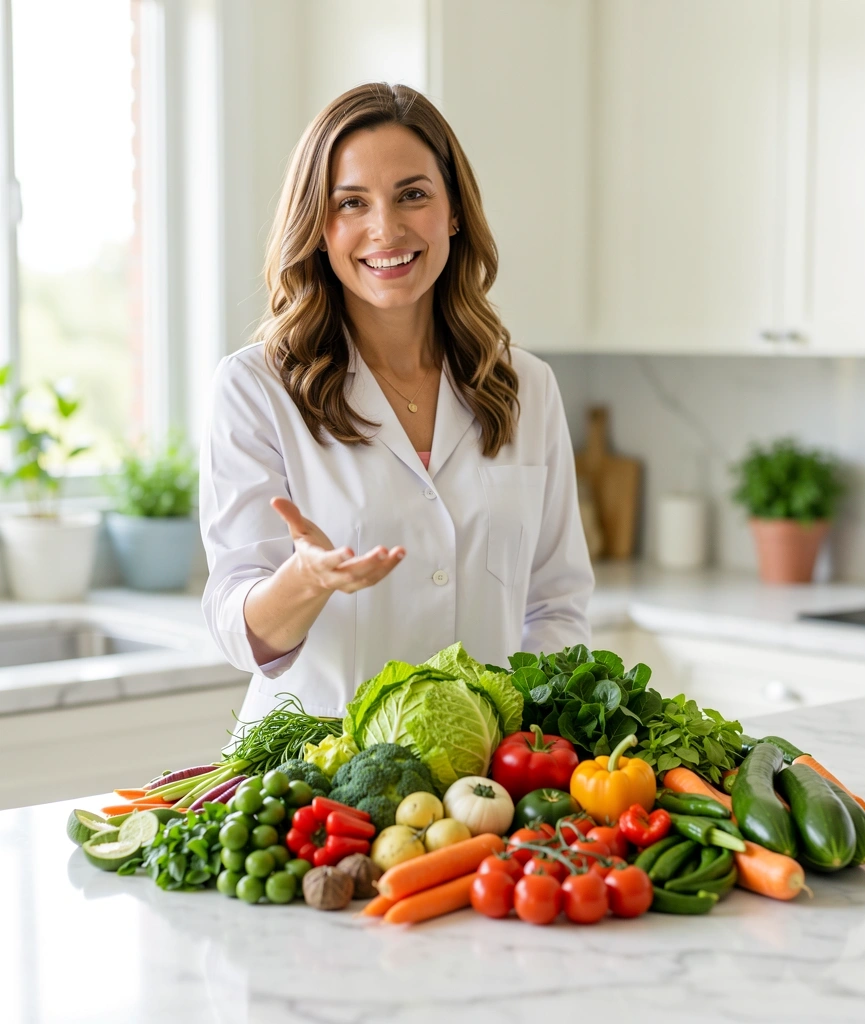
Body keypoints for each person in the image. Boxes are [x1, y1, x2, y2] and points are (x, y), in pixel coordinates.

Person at [199, 82, 594, 726]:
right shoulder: (256, 388)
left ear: (454, 211)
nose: (386, 229)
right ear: (318, 228)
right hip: (316, 769)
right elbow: (237, 630)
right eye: (351, 202)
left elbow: (556, 605)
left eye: (413, 194)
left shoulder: (526, 386)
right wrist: (307, 580)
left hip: (482, 770)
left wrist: (521, 742)